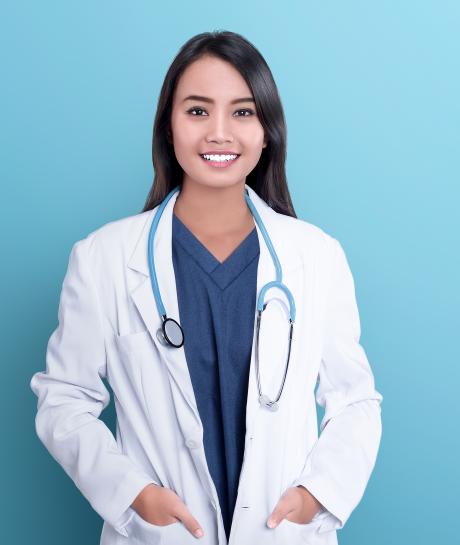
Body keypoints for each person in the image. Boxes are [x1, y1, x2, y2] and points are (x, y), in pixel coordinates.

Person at [30, 30, 383, 545]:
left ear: (267, 132)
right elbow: (62, 399)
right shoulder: (104, 258)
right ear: (168, 127)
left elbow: (355, 402)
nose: (219, 132)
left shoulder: (316, 257)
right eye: (197, 111)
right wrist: (133, 494)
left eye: (242, 112)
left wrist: (317, 496)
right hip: (161, 534)